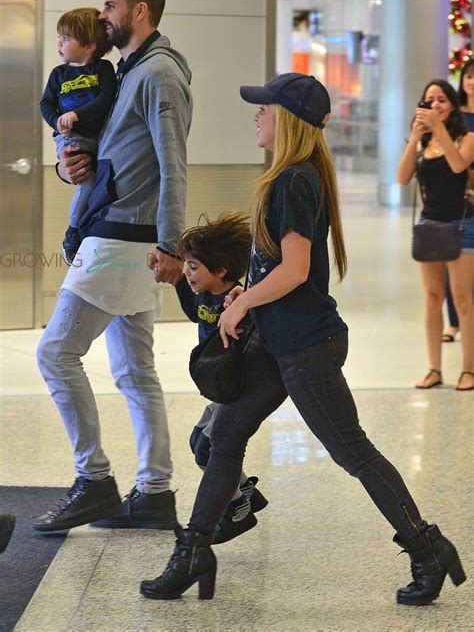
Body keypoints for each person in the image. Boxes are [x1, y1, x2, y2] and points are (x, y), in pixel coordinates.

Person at [139, 72, 466, 605]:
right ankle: (194, 551)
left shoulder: (294, 179)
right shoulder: (295, 174)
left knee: (354, 453)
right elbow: (279, 266)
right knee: (224, 438)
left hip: (304, 348)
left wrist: (243, 300)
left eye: (264, 107)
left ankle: (428, 549)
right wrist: (248, 289)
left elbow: (295, 269)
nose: (256, 115)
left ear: (286, 118)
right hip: (280, 340)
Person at [34, 0, 193, 532]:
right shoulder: (126, 72)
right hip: (117, 229)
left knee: (55, 353)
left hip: (123, 238)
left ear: (140, 11)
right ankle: (153, 492)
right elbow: (111, 156)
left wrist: (173, 244)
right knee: (135, 371)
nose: (101, 15)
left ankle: (94, 480)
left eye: (110, 5)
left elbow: (173, 167)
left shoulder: (158, 75)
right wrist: (68, 165)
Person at [173, 211, 268, 544]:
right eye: (186, 264)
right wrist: (173, 278)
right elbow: (192, 310)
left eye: (194, 266)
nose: (187, 272)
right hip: (219, 387)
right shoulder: (204, 294)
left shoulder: (238, 299)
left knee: (206, 449)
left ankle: (239, 508)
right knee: (198, 443)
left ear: (222, 271)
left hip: (235, 387)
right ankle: (246, 493)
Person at [398, 80, 474, 391]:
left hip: (463, 226)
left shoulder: (467, 138)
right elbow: (402, 178)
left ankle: (468, 370)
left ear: (453, 105)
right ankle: (434, 368)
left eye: (442, 99)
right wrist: (415, 137)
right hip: (430, 226)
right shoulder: (421, 143)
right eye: (429, 100)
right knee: (432, 299)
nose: (436, 105)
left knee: (463, 300)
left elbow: (458, 165)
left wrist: (438, 129)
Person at [40, 7, 116, 264]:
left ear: (88, 46)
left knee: (99, 183)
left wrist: (79, 114)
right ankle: (73, 231)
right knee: (86, 181)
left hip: (98, 138)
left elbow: (106, 100)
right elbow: (46, 104)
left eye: (66, 39)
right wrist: (58, 122)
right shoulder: (58, 74)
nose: (59, 44)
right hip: (71, 137)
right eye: (59, 38)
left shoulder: (103, 69)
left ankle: (86, 227)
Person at [443, 58, 474, 342]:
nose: (472, 82)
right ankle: (453, 322)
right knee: (451, 258)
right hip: (456, 197)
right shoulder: (456, 119)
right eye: (468, 76)